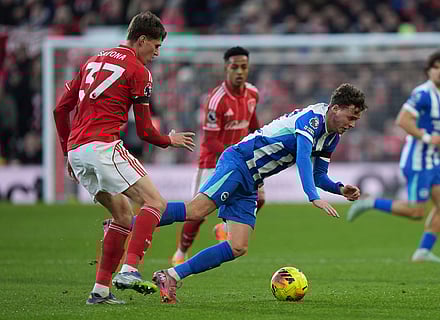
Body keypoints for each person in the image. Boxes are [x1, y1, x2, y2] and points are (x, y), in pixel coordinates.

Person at [149, 83, 368, 303]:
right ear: (335, 108)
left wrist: (339, 189)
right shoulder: (312, 119)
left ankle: (171, 276)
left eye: (356, 120)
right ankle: (126, 224)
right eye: (351, 117)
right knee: (196, 211)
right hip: (239, 162)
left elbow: (319, 175)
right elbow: (302, 158)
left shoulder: (332, 136)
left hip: (252, 179)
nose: (352, 124)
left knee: (238, 246)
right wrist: (313, 197)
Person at [53, 11, 195, 305]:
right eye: (155, 46)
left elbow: (60, 109)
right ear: (141, 40)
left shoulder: (92, 60)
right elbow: (144, 131)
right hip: (103, 145)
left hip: (78, 151)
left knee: (122, 214)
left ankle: (100, 291)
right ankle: (130, 270)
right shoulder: (138, 71)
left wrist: (69, 149)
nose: (157, 53)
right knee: (155, 202)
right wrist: (169, 139)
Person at [347, 51, 440, 263]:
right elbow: (403, 120)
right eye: (437, 67)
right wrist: (428, 137)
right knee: (416, 212)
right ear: (428, 71)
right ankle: (369, 202)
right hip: (417, 160)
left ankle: (423, 252)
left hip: (434, 160)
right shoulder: (422, 93)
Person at [170, 46, 266, 267]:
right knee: (196, 213)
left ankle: (223, 227)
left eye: (244, 67)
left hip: (243, 162)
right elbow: (211, 141)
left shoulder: (253, 93)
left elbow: (253, 124)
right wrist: (235, 158)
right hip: (212, 162)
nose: (240, 71)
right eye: (235, 67)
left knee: (260, 199)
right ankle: (180, 252)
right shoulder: (216, 100)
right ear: (226, 68)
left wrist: (260, 144)